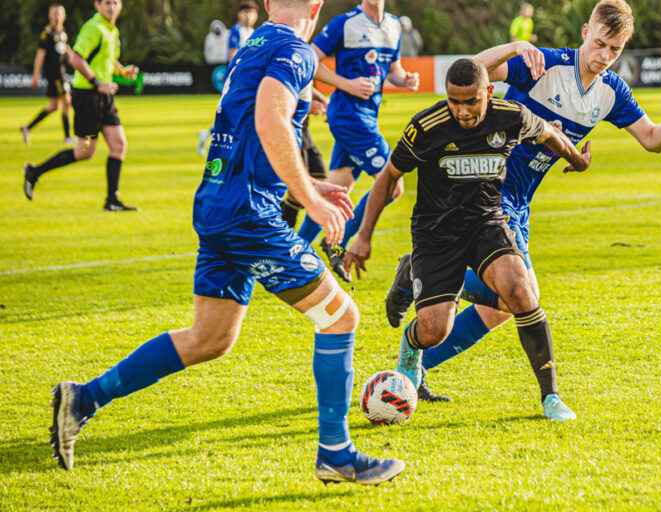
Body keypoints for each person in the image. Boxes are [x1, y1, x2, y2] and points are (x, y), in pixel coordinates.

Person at [48, 0, 405, 486]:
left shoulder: (253, 45)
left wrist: (308, 185)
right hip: (247, 214)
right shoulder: (295, 50)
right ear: (317, 7)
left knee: (211, 338)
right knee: (340, 316)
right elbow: (270, 122)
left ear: (265, 5)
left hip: (218, 201)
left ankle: (82, 398)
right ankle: (336, 452)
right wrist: (313, 203)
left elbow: (247, 135)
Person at [385, 0, 661, 417]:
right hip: (488, 193)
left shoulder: (610, 93)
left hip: (520, 204)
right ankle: (428, 278)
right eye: (600, 43)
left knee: (499, 310)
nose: (605, 56)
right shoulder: (543, 65)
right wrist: (516, 46)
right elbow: (474, 70)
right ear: (585, 32)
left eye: (615, 49)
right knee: (520, 297)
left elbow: (651, 139)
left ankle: (417, 359)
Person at [343, 59, 591, 422]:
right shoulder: (427, 127)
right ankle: (412, 347)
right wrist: (363, 236)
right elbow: (388, 176)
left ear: (488, 93)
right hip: (436, 233)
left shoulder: (512, 116)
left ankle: (551, 397)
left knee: (520, 290)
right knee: (435, 330)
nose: (462, 111)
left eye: (471, 101)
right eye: (454, 101)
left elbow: (547, 134)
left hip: (486, 222)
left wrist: (575, 159)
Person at [295, 0, 420, 282]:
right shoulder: (345, 23)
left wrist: (406, 80)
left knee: (337, 188)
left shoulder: (394, 25)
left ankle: (296, 249)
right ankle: (334, 242)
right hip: (349, 116)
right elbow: (310, 59)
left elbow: (395, 70)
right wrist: (346, 84)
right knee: (393, 184)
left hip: (368, 116)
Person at [23, 0, 140, 212]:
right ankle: (34, 172)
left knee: (119, 144)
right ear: (97, 5)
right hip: (87, 96)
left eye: (115, 2)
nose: (111, 7)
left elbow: (109, 61)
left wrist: (123, 72)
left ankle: (112, 199)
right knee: (84, 151)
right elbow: (76, 58)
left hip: (104, 96)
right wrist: (97, 83)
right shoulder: (93, 28)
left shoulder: (111, 30)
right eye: (106, 3)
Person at [197, 1, 260, 156]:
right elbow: (232, 55)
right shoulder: (236, 31)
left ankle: (208, 134)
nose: (249, 16)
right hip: (239, 79)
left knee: (238, 114)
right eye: (246, 12)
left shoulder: (254, 31)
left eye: (252, 13)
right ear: (239, 14)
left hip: (250, 79)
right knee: (234, 113)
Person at [20, 4, 72, 146]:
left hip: (61, 73)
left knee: (54, 106)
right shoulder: (47, 34)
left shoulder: (62, 33)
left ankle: (27, 128)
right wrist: (36, 75)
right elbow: (40, 55)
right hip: (54, 74)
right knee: (67, 101)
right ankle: (68, 137)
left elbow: (66, 51)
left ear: (64, 16)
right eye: (54, 14)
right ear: (50, 16)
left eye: (59, 14)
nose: (57, 16)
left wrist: (75, 60)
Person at [281, 88, 330, 228]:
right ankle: (283, 235)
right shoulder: (280, 66)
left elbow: (305, 83)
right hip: (286, 131)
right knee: (299, 189)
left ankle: (289, 236)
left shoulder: (304, 66)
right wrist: (306, 105)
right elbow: (272, 97)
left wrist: (323, 100)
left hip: (303, 132)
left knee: (317, 185)